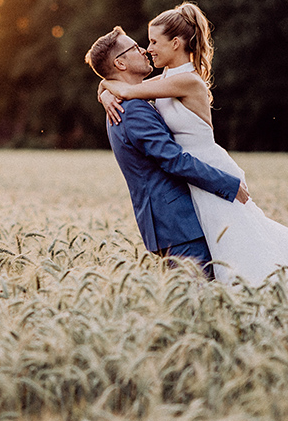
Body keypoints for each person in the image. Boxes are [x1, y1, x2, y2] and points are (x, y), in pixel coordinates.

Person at [97, 3, 288, 291]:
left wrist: (108, 89)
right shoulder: (163, 81)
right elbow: (122, 85)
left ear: (175, 43)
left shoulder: (185, 81)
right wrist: (104, 90)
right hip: (195, 178)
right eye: (141, 45)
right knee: (232, 252)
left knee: (245, 250)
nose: (147, 48)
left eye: (151, 42)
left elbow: (127, 88)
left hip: (208, 172)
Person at [85, 26, 251, 273]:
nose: (144, 50)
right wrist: (227, 184)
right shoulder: (134, 111)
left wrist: (104, 90)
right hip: (179, 226)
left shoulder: (126, 103)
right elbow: (173, 160)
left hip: (171, 226)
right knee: (199, 303)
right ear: (120, 64)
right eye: (135, 47)